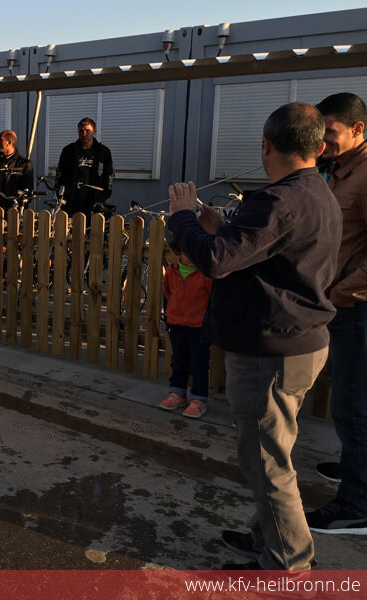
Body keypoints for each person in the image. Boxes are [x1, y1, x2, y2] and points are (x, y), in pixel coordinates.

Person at [167, 102, 341, 570]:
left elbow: (214, 261)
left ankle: (287, 564)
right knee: (271, 452)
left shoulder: (280, 200)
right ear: (318, 147)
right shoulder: (317, 192)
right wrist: (221, 229)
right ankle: (269, 539)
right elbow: (264, 255)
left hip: (273, 351)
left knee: (266, 463)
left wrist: (182, 217)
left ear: (265, 145)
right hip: (298, 342)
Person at [305, 92, 367, 535]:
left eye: (331, 132)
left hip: (357, 307)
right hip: (341, 304)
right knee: (348, 401)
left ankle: (356, 505)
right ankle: (355, 468)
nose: (322, 141)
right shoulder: (338, 169)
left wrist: (339, 293)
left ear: (358, 129)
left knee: (354, 404)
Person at [158, 237, 212, 419]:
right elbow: (168, 294)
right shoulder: (171, 271)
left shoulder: (205, 274)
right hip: (176, 324)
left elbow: (212, 299)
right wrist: (170, 317)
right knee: (178, 360)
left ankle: (199, 398)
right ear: (178, 252)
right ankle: (177, 393)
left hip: (198, 327)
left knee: (199, 363)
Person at [55, 117, 114, 217]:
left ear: (94, 131)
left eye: (87, 130)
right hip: (72, 201)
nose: (84, 134)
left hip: (94, 201)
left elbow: (109, 175)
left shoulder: (103, 152)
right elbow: (60, 174)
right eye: (81, 131)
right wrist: (61, 195)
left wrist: (103, 195)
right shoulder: (68, 151)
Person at [0, 130, 34, 213]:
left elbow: (27, 190)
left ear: (9, 143)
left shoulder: (24, 164)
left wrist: (17, 202)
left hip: (13, 210)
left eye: (0, 140)